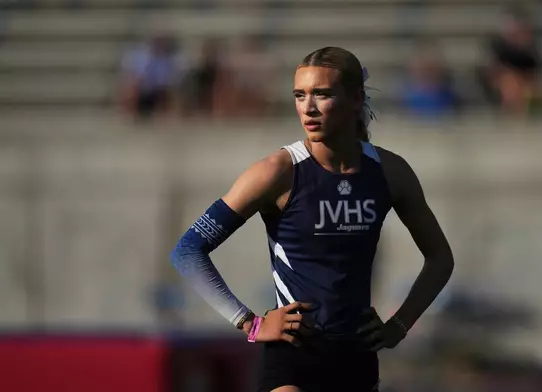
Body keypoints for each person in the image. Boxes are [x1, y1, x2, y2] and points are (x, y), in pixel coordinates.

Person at [170, 47, 454, 392]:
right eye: (300, 95)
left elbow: (440, 258)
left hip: (356, 356)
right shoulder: (277, 172)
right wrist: (250, 323)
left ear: (355, 98)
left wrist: (401, 324)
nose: (308, 107)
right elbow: (188, 250)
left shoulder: (390, 172)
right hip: (293, 354)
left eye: (322, 94)